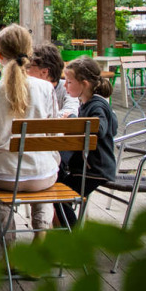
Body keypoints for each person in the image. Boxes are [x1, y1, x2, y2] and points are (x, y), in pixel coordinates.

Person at [0, 24, 58, 244]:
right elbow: (54, 134)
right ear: (30, 54)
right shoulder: (46, 89)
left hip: (5, 176)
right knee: (44, 181)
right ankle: (40, 239)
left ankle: (9, 248)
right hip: (42, 174)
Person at [57, 56, 117, 227]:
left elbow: (100, 128)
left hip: (95, 169)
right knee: (57, 185)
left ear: (84, 84)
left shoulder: (97, 105)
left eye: (69, 82)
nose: (65, 85)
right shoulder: (87, 103)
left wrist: (75, 120)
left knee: (59, 197)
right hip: (86, 167)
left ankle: (73, 237)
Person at [27, 44, 80, 118]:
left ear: (44, 72)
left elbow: (70, 112)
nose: (24, 70)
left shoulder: (67, 88)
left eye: (28, 66)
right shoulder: (27, 89)